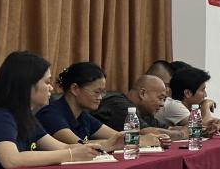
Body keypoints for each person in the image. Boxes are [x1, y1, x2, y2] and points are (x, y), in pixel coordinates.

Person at [0, 51, 103, 169]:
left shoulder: (25, 117)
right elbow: (12, 160)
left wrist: (100, 147)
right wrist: (71, 154)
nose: (51, 88)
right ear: (26, 85)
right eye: (47, 82)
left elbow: (62, 147)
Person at [37, 62, 169, 148]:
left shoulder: (83, 116)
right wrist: (140, 141)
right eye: (96, 92)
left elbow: (117, 136)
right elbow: (79, 145)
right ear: (75, 89)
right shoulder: (50, 114)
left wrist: (148, 138)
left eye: (102, 92)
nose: (100, 97)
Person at [95, 74, 186, 141]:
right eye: (160, 98)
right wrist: (183, 134)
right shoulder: (119, 103)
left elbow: (168, 129)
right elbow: (145, 133)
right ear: (142, 93)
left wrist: (187, 129)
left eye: (164, 99)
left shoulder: (144, 112)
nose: (162, 104)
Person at [156, 65, 220, 134]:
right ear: (187, 93)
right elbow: (199, 126)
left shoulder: (189, 107)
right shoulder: (174, 105)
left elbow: (214, 121)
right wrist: (205, 106)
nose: (205, 95)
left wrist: (219, 125)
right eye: (202, 90)